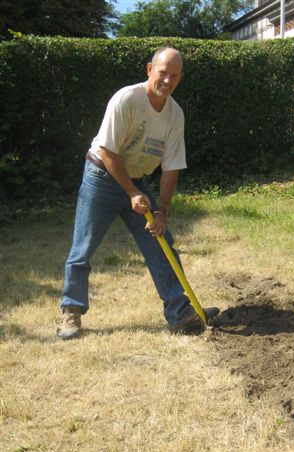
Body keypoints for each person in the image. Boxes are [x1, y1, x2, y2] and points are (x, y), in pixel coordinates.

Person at [57, 47, 219, 340]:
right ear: (149, 70)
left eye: (174, 76)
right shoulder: (127, 99)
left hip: (136, 180)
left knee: (161, 243)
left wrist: (162, 211)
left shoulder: (175, 115)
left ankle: (180, 312)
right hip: (102, 177)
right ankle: (72, 311)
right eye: (162, 73)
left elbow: (171, 168)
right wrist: (131, 192)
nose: (167, 80)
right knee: (83, 247)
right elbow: (106, 150)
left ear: (180, 78)